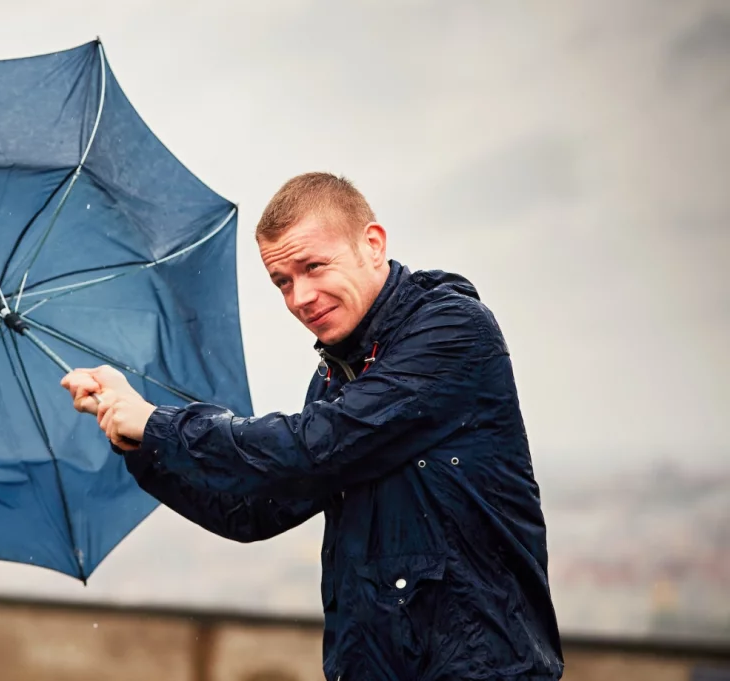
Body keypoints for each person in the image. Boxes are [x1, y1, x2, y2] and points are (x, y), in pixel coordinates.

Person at [60, 172, 565, 681]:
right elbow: (253, 510)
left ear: (372, 244)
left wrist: (159, 423)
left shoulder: (454, 332)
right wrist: (138, 443)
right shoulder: (335, 376)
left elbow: (310, 447)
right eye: (282, 281)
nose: (300, 297)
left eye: (313, 267)